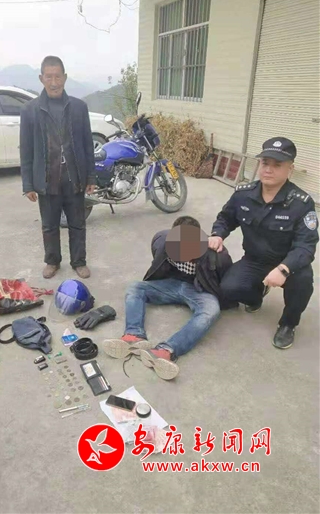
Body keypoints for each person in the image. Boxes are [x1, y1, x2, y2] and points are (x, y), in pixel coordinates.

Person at [209, 137, 319, 350]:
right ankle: (256, 296)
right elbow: (226, 218)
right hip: (254, 259)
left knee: (303, 283)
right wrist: (217, 234)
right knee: (229, 288)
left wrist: (283, 269)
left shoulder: (301, 203)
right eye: (265, 163)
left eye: (277, 165)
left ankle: (288, 324)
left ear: (290, 169)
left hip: (289, 263)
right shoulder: (243, 194)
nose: (268, 169)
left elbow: (306, 246)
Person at [103, 216, 235, 380]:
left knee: (211, 310)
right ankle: (133, 335)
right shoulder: (161, 242)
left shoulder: (217, 255)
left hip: (199, 290)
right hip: (172, 284)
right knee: (135, 287)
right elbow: (157, 261)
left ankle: (165, 351)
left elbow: (227, 282)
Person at [20, 56, 96, 279]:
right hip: (47, 179)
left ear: (65, 77)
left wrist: (91, 177)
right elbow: (26, 150)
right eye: (49, 77)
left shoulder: (79, 108)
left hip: (74, 177)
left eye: (58, 77)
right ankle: (52, 261)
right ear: (41, 78)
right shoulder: (30, 110)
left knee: (77, 224)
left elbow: (87, 144)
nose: (54, 82)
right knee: (49, 225)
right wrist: (28, 184)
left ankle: (79, 261)